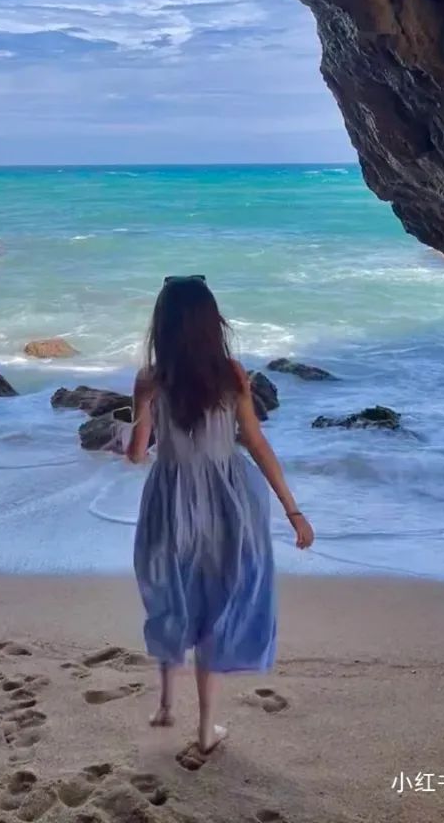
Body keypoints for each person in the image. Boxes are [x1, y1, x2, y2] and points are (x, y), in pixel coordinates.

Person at [126, 275, 314, 757]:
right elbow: (256, 442)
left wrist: (135, 419)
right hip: (227, 504)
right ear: (212, 324)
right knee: (215, 607)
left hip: (171, 502)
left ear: (162, 325)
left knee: (171, 595)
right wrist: (293, 510)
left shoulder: (150, 379)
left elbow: (137, 454)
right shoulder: (231, 375)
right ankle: (206, 730)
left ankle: (166, 705)